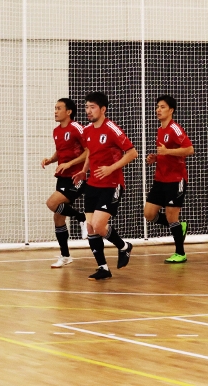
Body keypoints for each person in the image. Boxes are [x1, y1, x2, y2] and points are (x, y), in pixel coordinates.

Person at [72, 92, 138, 280]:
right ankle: (103, 268)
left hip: (111, 184)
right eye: (86, 107)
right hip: (93, 184)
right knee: (91, 228)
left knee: (99, 225)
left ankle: (124, 246)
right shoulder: (87, 130)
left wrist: (111, 168)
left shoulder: (112, 129)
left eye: (92, 107)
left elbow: (133, 153)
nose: (88, 110)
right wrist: (84, 170)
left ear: (103, 109)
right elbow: (91, 152)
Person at [144, 95, 194, 263]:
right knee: (149, 214)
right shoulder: (160, 130)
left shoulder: (175, 129)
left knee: (172, 216)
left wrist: (167, 152)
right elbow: (165, 153)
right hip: (160, 179)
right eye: (157, 106)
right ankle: (180, 228)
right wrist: (155, 158)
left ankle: (180, 253)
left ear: (171, 110)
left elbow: (189, 149)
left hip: (175, 179)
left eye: (163, 107)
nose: (158, 110)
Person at [41, 98, 88, 268]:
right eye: (55, 108)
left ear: (69, 112)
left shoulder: (76, 128)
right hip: (62, 176)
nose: (55, 111)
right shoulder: (56, 131)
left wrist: (70, 164)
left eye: (59, 108)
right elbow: (61, 152)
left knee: (52, 203)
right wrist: (51, 159)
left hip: (77, 176)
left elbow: (89, 151)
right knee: (58, 217)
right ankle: (65, 256)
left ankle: (81, 217)